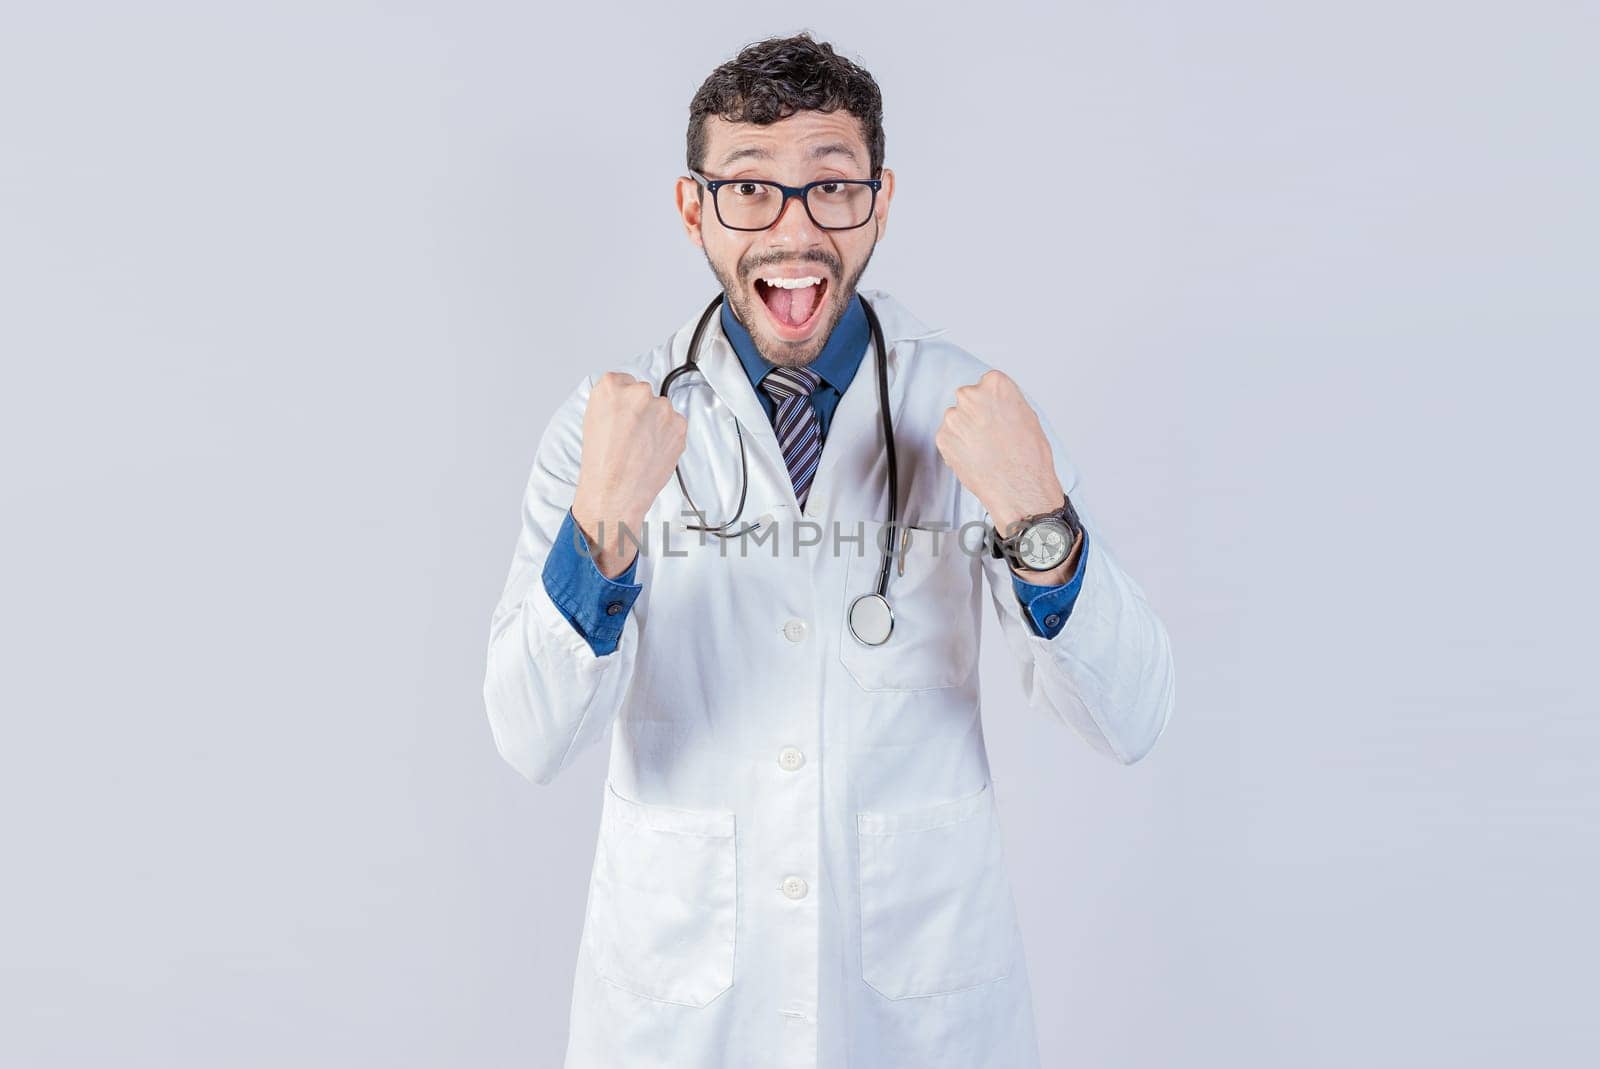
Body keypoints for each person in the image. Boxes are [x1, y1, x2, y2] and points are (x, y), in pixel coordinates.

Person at [483, 32, 1175, 1068]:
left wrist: (1038, 516)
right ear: (694, 210)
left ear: (879, 201)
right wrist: (605, 524)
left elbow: (1132, 716)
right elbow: (529, 736)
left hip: (917, 1004)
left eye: (831, 188)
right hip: (683, 1010)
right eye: (750, 190)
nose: (793, 230)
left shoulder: (968, 408)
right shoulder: (607, 426)